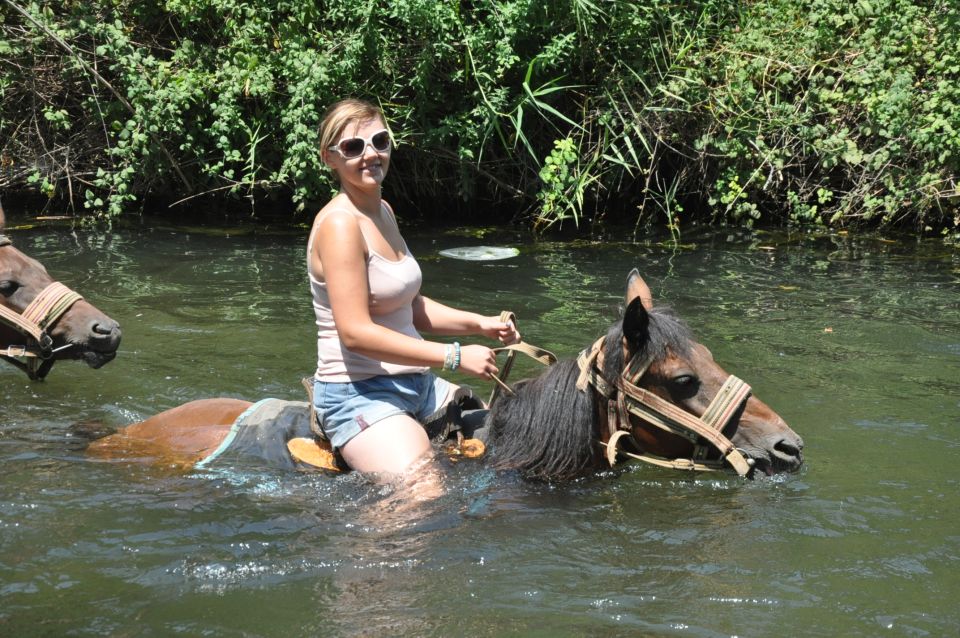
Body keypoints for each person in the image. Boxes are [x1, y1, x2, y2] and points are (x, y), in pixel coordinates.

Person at [308, 98, 519, 482]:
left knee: (508, 446)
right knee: (423, 491)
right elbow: (355, 333)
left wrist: (481, 324)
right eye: (354, 147)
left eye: (380, 141)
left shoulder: (383, 210)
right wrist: (453, 356)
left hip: (417, 384)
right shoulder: (340, 225)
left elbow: (408, 304)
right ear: (330, 158)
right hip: (359, 393)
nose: (371, 154)